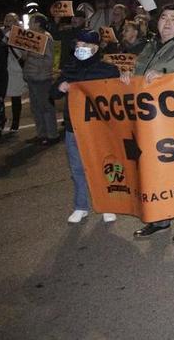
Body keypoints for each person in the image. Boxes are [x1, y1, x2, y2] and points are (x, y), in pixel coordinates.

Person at [122, 5, 174, 240]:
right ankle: (159, 219)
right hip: (147, 119)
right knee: (151, 170)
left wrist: (164, 76)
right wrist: (128, 78)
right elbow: (141, 74)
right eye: (164, 18)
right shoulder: (151, 45)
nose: (167, 22)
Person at [51, 30, 119, 223]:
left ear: (95, 48)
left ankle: (107, 205)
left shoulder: (108, 70)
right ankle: (81, 206)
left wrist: (124, 81)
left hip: (100, 129)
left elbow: (120, 97)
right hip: (74, 128)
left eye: (84, 45)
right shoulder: (70, 68)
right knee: (77, 169)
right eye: (78, 45)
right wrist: (60, 87)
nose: (80, 48)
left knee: (102, 167)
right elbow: (53, 94)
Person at [23, 14, 59, 146]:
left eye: (31, 22)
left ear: (38, 24)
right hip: (32, 76)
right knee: (36, 107)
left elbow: (49, 59)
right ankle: (41, 134)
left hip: (42, 77)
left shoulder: (46, 37)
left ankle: (52, 135)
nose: (29, 25)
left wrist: (32, 53)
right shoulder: (31, 37)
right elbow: (25, 57)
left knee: (46, 107)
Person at [1, 13, 27, 133]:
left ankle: (15, 122)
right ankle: (1, 119)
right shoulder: (1, 34)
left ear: (16, 22)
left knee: (15, 97)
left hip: (15, 69)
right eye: (7, 19)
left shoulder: (21, 34)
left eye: (11, 20)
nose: (8, 22)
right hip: (3, 69)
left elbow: (24, 53)